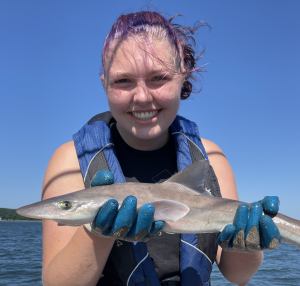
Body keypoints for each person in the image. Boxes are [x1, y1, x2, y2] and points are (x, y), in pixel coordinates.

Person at [41, 11, 281, 286]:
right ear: (104, 83)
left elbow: (237, 275)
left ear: (182, 77)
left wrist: (250, 246)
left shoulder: (210, 158)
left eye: (158, 78)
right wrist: (98, 233)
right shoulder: (70, 160)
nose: (142, 97)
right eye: (123, 81)